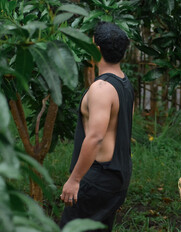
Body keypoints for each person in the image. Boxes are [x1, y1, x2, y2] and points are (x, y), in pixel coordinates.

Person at [59, 21, 134, 231]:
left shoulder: (101, 88)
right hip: (118, 175)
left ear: (96, 49)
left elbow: (95, 137)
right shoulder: (125, 83)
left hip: (99, 177)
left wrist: (74, 180)